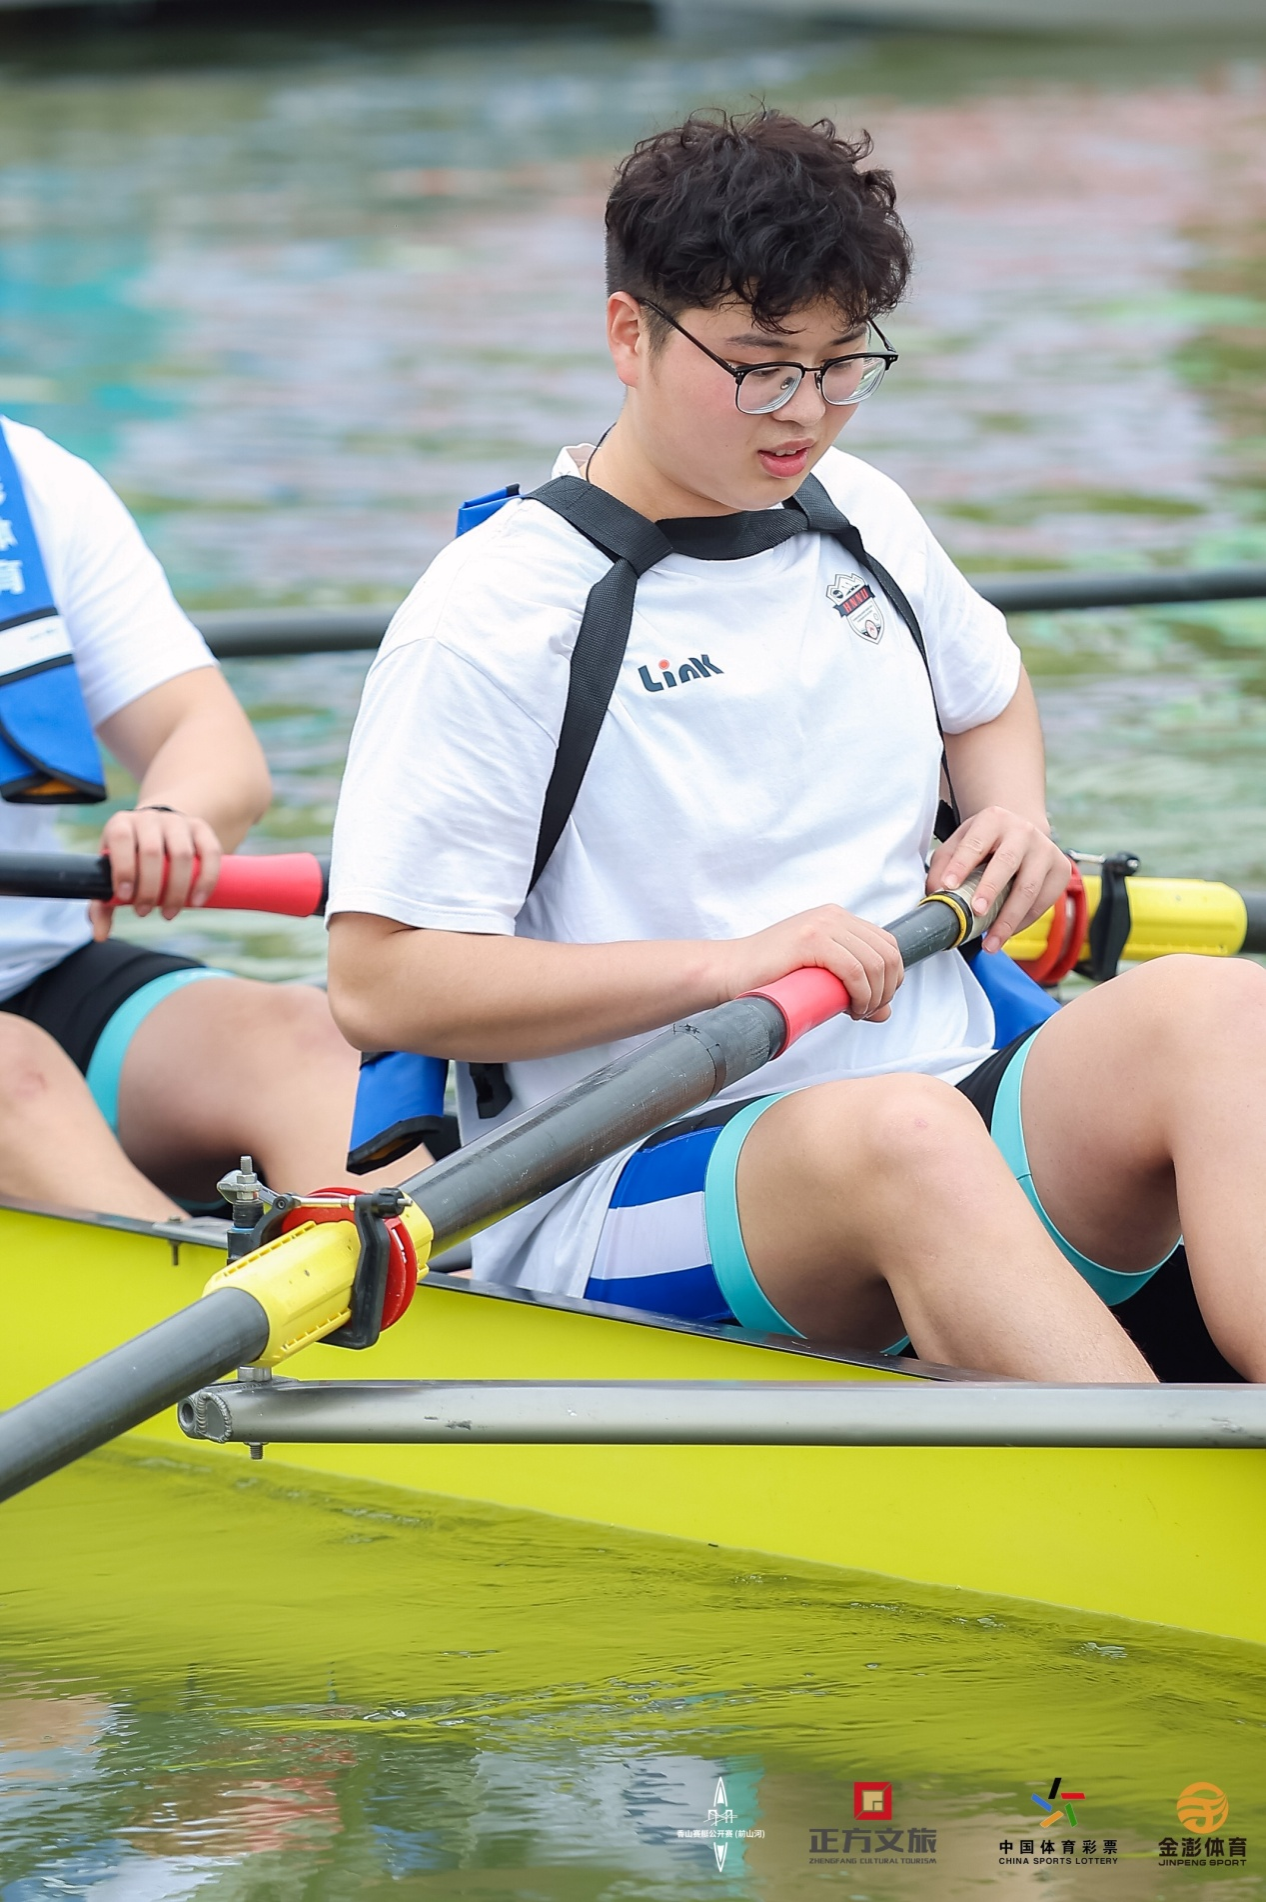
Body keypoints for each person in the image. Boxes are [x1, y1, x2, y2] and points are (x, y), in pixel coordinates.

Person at [326, 109, 1266, 1383]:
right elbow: (381, 983)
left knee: (1220, 1009)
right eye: (763, 369)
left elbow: (988, 696)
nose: (807, 415)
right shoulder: (496, 614)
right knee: (904, 1137)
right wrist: (734, 966)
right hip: (614, 1179)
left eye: (842, 365)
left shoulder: (857, 514)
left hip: (933, 1089)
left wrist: (1013, 816)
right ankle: (1153, 1492)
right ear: (629, 335)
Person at [0, 414, 430, 1222]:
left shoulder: (33, 481)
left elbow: (207, 741)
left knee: (309, 1038)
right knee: (11, 1074)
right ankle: (210, 1298)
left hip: (34, 967)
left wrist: (170, 817)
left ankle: (428, 1288)